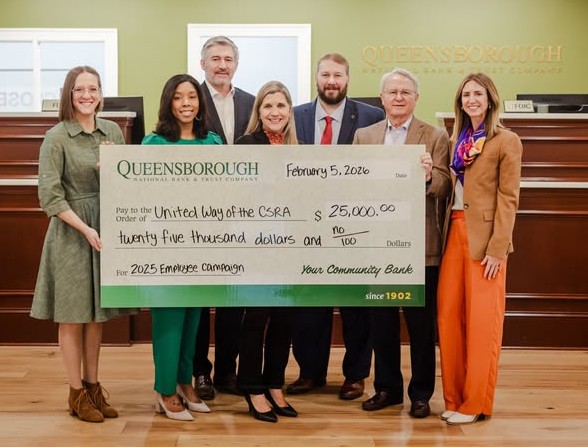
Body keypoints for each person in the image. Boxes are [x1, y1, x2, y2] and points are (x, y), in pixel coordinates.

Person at [30, 65, 137, 423]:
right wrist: (85, 228)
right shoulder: (56, 136)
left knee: (95, 317)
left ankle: (93, 387)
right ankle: (75, 393)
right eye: (80, 90)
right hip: (72, 233)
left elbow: (127, 182)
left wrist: (112, 173)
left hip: (105, 228)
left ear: (101, 93)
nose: (87, 95)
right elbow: (50, 196)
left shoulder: (113, 131)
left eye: (93, 89)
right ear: (69, 94)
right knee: (73, 316)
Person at [353, 68, 451, 418]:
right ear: (381, 97)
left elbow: (445, 184)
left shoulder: (436, 135)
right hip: (378, 245)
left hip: (419, 246)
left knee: (421, 326)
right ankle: (388, 389)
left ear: (416, 98)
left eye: (405, 92)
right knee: (381, 322)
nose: (398, 97)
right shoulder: (364, 136)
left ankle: (421, 394)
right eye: (392, 92)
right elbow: (353, 184)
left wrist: (429, 176)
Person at [287, 53, 385, 401]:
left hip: (355, 225)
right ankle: (310, 372)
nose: (331, 81)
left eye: (338, 75)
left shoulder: (372, 117)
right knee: (308, 306)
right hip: (306, 226)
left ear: (348, 79)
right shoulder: (295, 116)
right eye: (326, 74)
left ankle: (356, 375)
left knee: (356, 306)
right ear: (316, 78)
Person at [437, 72, 522, 425]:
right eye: (466, 95)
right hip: (452, 234)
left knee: (482, 322)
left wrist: (498, 248)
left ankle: (475, 403)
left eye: (478, 94)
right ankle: (454, 398)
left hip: (486, 241)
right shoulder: (454, 140)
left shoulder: (506, 141)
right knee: (448, 316)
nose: (471, 100)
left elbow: (509, 198)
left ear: (490, 100)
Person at [142, 74, 222, 421]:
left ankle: (184, 381)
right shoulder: (154, 143)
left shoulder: (213, 142)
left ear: (200, 102)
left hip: (204, 243)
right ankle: (164, 389)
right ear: (168, 103)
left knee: (193, 317)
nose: (186, 103)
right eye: (178, 97)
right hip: (167, 244)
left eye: (192, 96)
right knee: (170, 316)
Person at [194, 36, 255, 400]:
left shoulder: (251, 102)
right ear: (203, 64)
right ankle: (200, 371)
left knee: (234, 297)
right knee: (202, 298)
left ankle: (227, 371)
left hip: (243, 215)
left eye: (228, 59)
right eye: (215, 58)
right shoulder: (190, 100)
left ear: (236, 64)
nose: (222, 65)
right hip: (202, 215)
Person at [235, 80, 299, 423]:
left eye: (281, 106)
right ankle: (252, 386)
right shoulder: (246, 145)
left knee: (284, 319)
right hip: (256, 245)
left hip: (290, 245)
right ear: (258, 112)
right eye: (268, 106)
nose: (275, 112)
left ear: (290, 112)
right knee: (256, 317)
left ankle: (275, 383)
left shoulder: (298, 149)